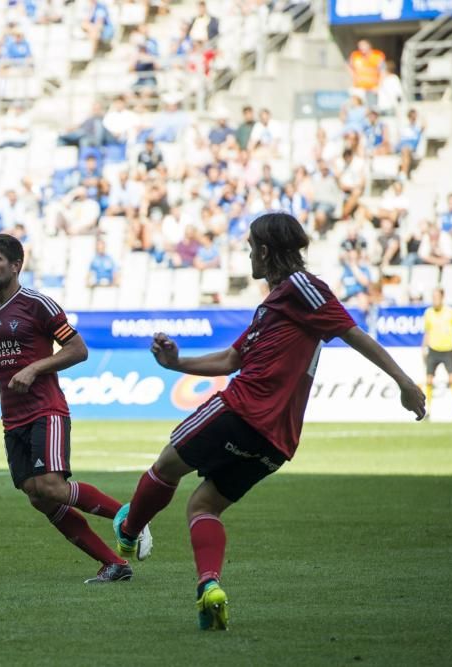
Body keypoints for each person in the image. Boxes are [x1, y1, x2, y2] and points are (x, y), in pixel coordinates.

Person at [112, 212, 425, 630]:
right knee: (204, 506)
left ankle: (129, 533)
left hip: (241, 410)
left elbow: (352, 332)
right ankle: (210, 587)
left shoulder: (302, 287)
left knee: (165, 466)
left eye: (249, 249)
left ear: (263, 249)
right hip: (276, 441)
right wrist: (176, 363)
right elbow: (232, 358)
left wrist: (404, 382)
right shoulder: (274, 306)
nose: (247, 257)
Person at [0, 233, 141, 584]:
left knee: (51, 486)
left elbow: (78, 349)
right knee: (37, 496)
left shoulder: (38, 304)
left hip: (45, 410)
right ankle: (115, 564)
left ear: (16, 265)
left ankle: (131, 518)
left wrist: (35, 368)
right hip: (11, 417)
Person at [422, 287, 452, 421]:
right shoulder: (429, 312)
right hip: (433, 350)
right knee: (429, 381)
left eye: (437, 297)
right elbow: (427, 332)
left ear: (442, 297)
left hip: (447, 350)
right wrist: (423, 348)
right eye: (433, 297)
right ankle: (427, 412)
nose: (434, 299)